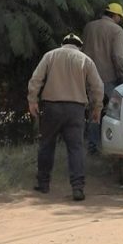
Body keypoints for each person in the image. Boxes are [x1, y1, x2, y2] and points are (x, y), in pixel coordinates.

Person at [27, 33, 104, 201]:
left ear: (62, 43)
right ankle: (78, 188)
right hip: (75, 109)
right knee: (75, 148)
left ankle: (43, 184)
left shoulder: (50, 55)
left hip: (52, 107)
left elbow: (36, 79)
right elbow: (97, 86)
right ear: (79, 45)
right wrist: (96, 107)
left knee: (46, 144)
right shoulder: (85, 60)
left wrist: (32, 100)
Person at [82, 2, 123, 154]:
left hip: (88, 76)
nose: (120, 20)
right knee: (115, 111)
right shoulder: (117, 31)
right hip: (109, 77)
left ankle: (92, 145)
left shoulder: (89, 27)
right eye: (119, 17)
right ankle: (112, 143)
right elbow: (118, 57)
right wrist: (122, 78)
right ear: (114, 15)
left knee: (93, 109)